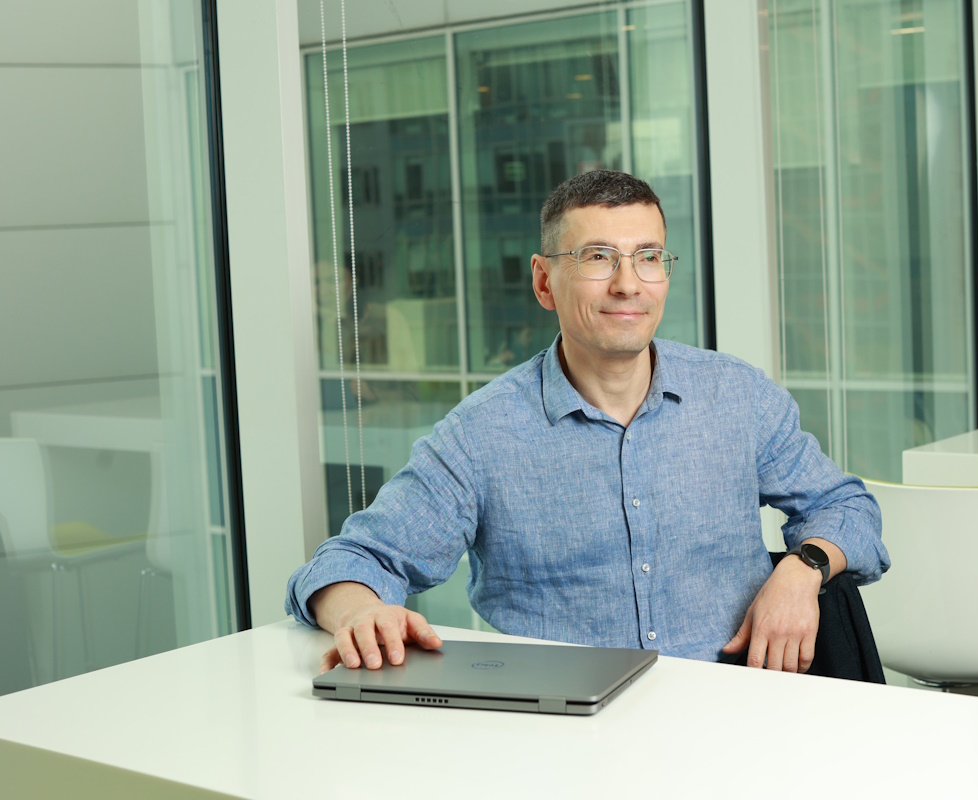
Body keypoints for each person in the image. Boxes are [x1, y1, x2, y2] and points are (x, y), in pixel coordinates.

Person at [286, 170, 888, 675]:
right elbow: (352, 561)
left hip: (732, 713)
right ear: (544, 281)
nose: (628, 285)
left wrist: (802, 570)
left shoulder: (738, 396)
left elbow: (847, 507)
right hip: (565, 732)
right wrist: (361, 614)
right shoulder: (481, 436)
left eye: (648, 258)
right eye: (598, 258)